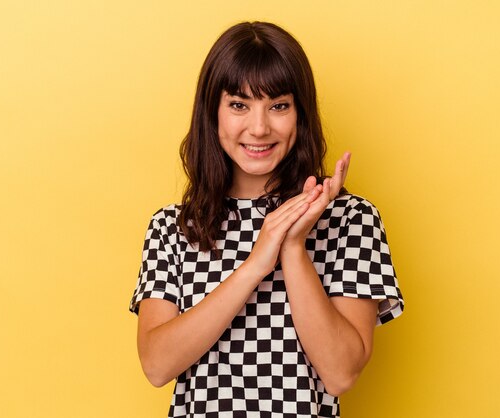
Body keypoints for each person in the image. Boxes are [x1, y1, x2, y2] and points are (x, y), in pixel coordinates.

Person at [129, 21, 404, 418]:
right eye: (239, 104)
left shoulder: (350, 219)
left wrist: (293, 247)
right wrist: (256, 263)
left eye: (278, 106)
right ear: (213, 113)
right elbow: (156, 365)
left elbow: (341, 373)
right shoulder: (173, 227)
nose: (259, 128)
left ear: (300, 114)